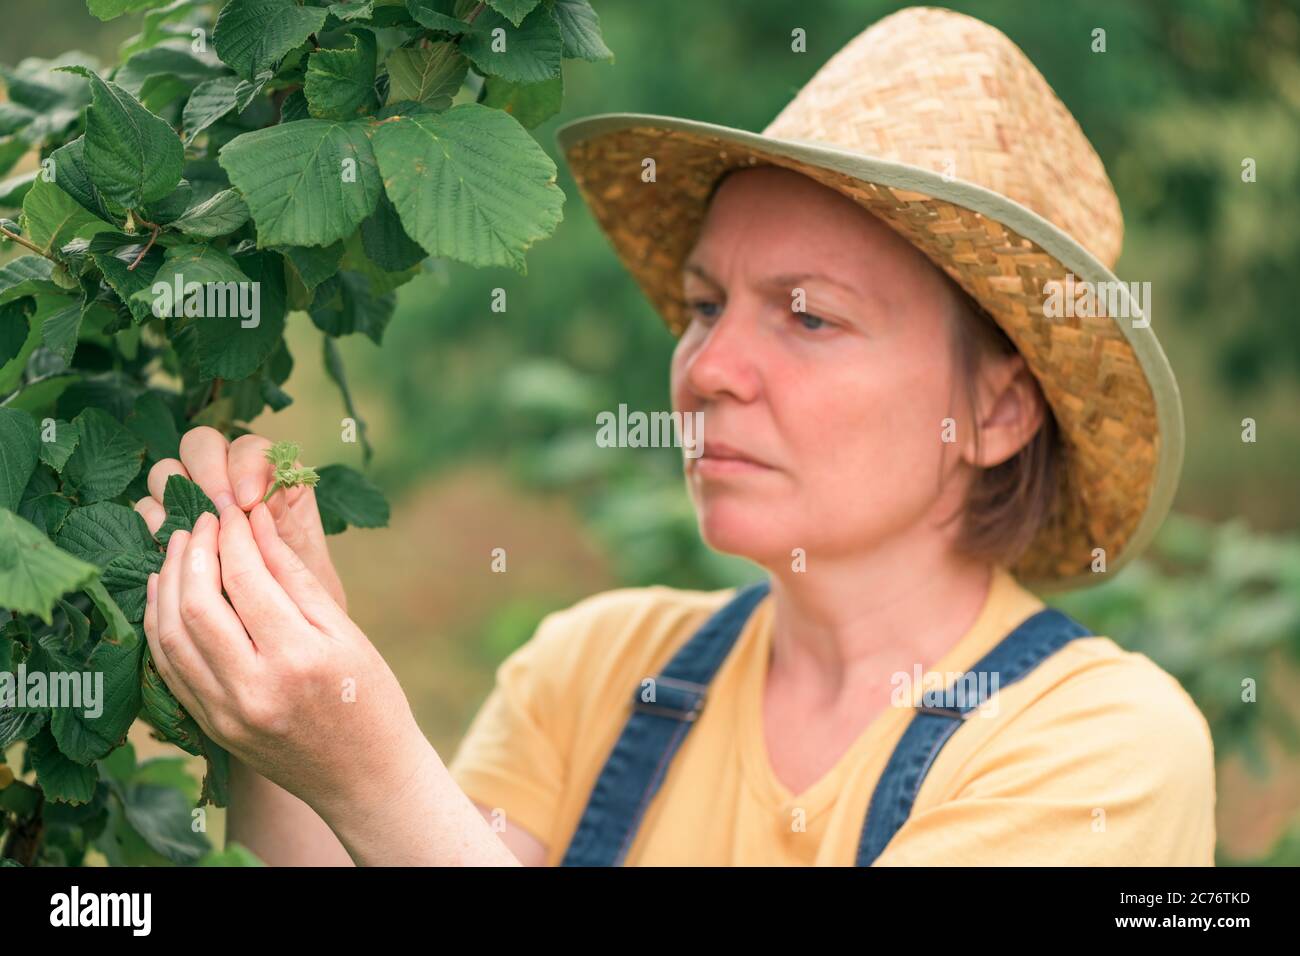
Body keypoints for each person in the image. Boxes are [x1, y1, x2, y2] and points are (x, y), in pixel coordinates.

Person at [134, 7, 1215, 866]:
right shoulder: (600, 666)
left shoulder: (1101, 746)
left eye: (807, 314)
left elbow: (402, 819)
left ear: (997, 409)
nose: (704, 370)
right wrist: (271, 691)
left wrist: (377, 772)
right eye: (704, 306)